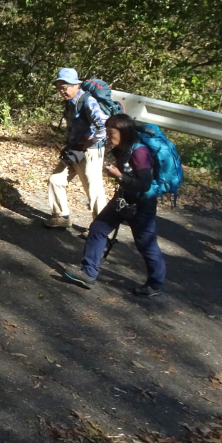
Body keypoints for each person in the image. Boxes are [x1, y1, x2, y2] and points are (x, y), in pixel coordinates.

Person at [63, 114, 167, 296]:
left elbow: (144, 184)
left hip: (142, 204)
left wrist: (118, 175)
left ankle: (156, 284)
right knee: (98, 228)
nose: (108, 137)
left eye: (111, 133)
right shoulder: (123, 147)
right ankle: (88, 273)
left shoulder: (140, 152)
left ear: (124, 132)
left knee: (145, 244)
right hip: (123, 198)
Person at [46, 68, 109, 229]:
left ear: (76, 85)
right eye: (59, 88)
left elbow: (104, 125)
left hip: (90, 151)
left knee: (93, 190)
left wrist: (92, 141)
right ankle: (62, 216)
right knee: (56, 180)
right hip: (74, 149)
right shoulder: (69, 102)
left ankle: (99, 228)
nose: (62, 91)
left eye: (65, 87)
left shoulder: (88, 101)